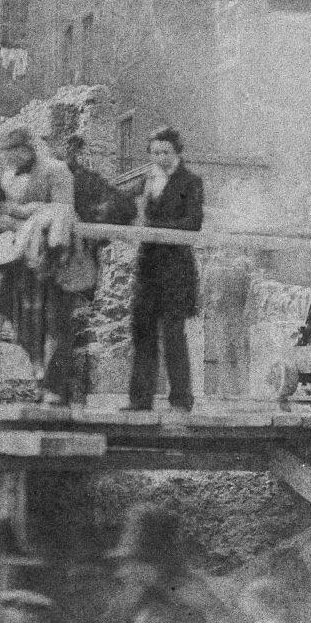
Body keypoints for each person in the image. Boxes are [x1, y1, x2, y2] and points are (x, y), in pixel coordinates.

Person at [0, 127, 76, 416]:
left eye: (15, 150)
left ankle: (52, 392)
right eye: (6, 152)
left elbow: (62, 213)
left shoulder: (55, 170)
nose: (10, 157)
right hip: (13, 261)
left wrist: (15, 213)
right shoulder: (7, 177)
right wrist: (13, 216)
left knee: (51, 326)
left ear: (29, 148)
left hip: (49, 260)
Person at [126, 126, 204, 415]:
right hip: (148, 267)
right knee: (142, 329)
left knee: (173, 333)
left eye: (165, 152)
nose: (160, 157)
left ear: (177, 152)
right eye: (155, 152)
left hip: (175, 268)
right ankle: (139, 400)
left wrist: (154, 230)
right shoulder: (147, 181)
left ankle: (181, 401)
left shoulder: (191, 182)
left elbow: (193, 223)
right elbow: (125, 208)